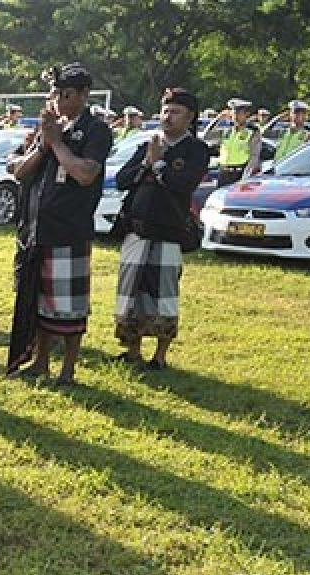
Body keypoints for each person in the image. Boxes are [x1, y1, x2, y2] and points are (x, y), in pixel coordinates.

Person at [6, 63, 112, 386]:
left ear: (83, 95)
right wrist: (44, 142)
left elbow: (85, 173)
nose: (58, 101)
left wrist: (57, 144)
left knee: (69, 305)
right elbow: (17, 168)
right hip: (36, 229)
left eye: (66, 95)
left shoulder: (96, 130)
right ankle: (39, 362)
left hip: (69, 229)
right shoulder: (46, 128)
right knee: (37, 300)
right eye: (54, 94)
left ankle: (68, 369)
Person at [112, 87, 209, 371]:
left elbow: (183, 184)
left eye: (175, 111)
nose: (168, 117)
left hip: (169, 231)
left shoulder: (196, 150)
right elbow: (121, 179)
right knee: (131, 292)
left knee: (164, 295)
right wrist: (147, 161)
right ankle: (132, 351)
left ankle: (160, 355)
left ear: (189, 117)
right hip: (137, 230)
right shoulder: (148, 145)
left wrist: (160, 164)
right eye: (165, 110)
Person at [205, 98, 260, 186]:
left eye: (239, 113)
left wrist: (246, 176)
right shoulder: (227, 130)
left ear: (247, 114)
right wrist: (218, 119)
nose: (235, 116)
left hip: (239, 173)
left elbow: (254, 156)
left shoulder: (252, 132)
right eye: (234, 113)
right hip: (223, 173)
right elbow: (206, 136)